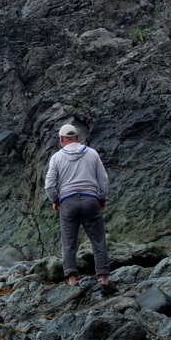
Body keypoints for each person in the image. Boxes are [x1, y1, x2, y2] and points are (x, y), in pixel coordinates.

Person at [45, 124, 116, 294]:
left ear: (61, 139)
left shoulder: (56, 157)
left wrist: (55, 200)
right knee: (98, 241)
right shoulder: (92, 153)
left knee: (69, 243)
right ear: (77, 137)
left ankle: (72, 281)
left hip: (68, 203)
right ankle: (104, 281)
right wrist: (101, 198)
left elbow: (49, 185)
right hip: (91, 201)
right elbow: (103, 179)